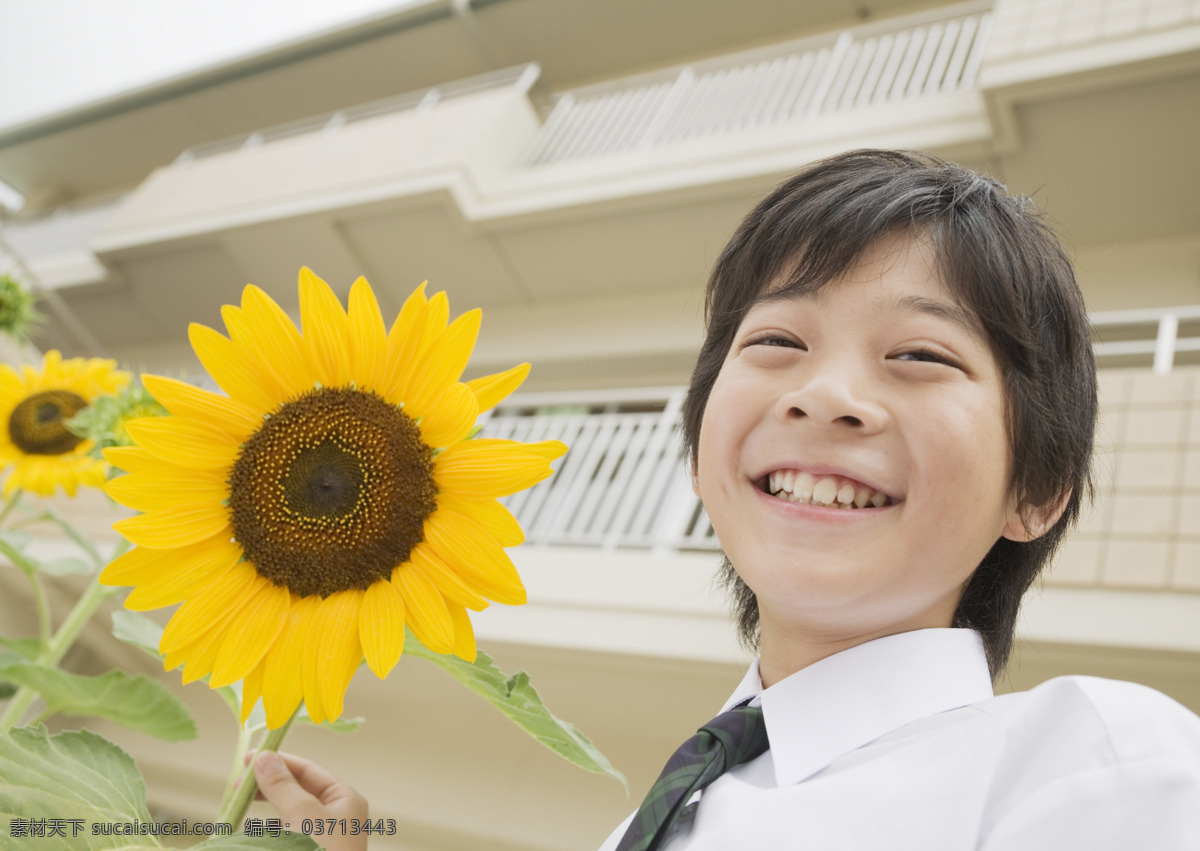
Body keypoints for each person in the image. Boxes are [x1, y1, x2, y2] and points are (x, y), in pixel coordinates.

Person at [254, 150, 1200, 850]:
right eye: (777, 342)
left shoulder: (1098, 764)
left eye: (920, 354)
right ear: (705, 448)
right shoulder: (652, 818)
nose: (821, 393)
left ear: (1034, 489)